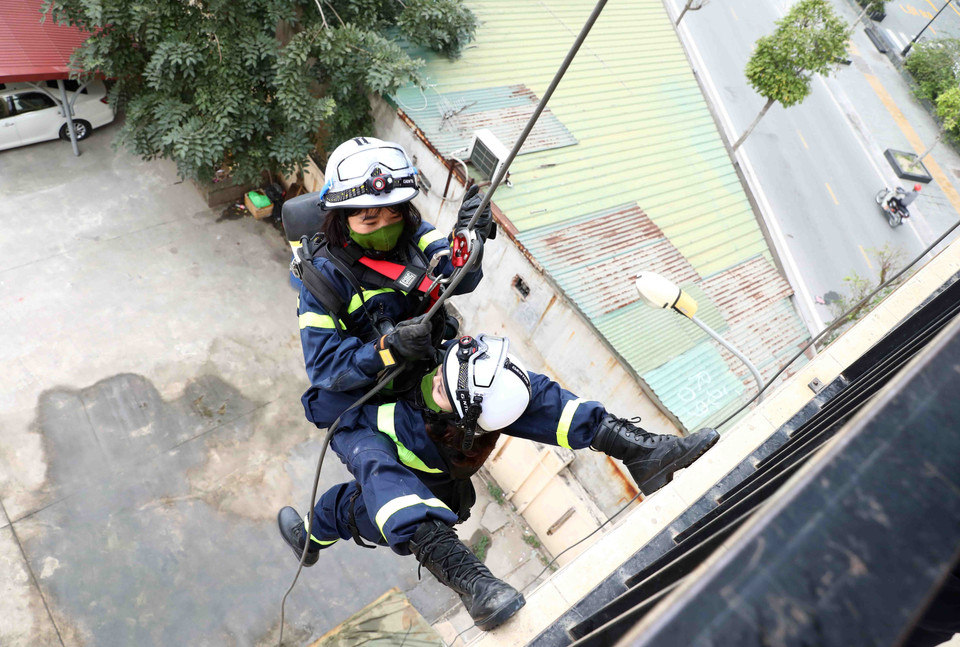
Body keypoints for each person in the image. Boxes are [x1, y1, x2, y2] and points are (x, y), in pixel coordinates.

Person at [278, 333, 720, 631]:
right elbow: (323, 396)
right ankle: (641, 453)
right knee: (368, 490)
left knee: (356, 499)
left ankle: (642, 453)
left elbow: (323, 405)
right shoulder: (448, 401)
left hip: (419, 492)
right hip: (406, 484)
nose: (435, 382)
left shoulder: (454, 412)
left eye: (440, 391)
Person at [281, 136, 495, 427]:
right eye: (369, 222)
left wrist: (470, 241)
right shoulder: (324, 280)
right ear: (341, 219)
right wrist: (387, 347)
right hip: (371, 397)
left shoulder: (416, 234)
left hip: (428, 369)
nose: (384, 228)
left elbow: (456, 279)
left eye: (393, 216)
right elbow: (325, 367)